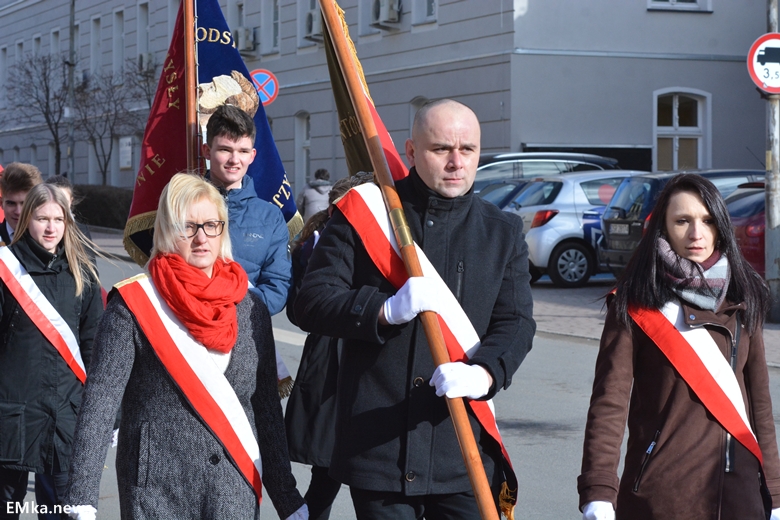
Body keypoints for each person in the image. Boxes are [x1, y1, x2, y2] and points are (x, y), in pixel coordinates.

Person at [293, 99, 535, 519]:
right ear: (410, 152)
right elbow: (311, 303)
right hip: (378, 450)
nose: (456, 162)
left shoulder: (502, 231)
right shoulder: (364, 215)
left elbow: (515, 322)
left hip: (461, 447)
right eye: (441, 149)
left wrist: (485, 372)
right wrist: (382, 310)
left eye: (468, 150)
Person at [64, 173, 306, 520]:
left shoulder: (251, 307)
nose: (201, 238)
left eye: (211, 225)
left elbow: (265, 406)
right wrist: (82, 493)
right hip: (157, 488)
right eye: (187, 226)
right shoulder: (134, 304)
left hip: (232, 482)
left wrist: (286, 496)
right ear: (165, 229)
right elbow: (101, 400)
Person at [578, 174, 780, 520]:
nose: (696, 234)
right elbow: (608, 404)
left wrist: (774, 493)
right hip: (663, 498)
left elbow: (759, 406)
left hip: (741, 498)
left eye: (707, 220)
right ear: (663, 228)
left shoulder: (744, 298)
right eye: (682, 220)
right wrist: (598, 491)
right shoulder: (634, 303)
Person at [0, 183, 103, 520]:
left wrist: (104, 411)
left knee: (60, 512)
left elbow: (94, 346)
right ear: (27, 218)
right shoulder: (5, 270)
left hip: (65, 416)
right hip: (10, 416)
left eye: (58, 219)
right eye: (42, 218)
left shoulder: (83, 273)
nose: (50, 227)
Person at [285, 173, 373, 520]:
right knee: (330, 469)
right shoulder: (319, 243)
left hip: (360, 361)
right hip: (332, 361)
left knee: (347, 474)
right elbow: (299, 308)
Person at [202, 104, 292, 316]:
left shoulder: (270, 217)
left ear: (252, 155)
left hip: (245, 335)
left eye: (242, 151)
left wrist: (231, 312)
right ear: (207, 151)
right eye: (225, 150)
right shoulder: (182, 206)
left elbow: (277, 287)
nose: (235, 160)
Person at [0, 162, 43, 246]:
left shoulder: (54, 238)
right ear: (1, 203)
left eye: (25, 204)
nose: (18, 211)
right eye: (11, 203)